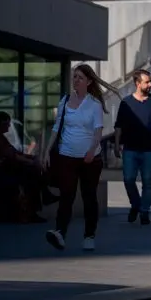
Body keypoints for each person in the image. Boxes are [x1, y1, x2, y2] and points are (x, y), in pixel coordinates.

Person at [45, 63, 114, 252]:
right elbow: (56, 128)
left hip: (89, 159)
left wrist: (92, 150)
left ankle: (89, 235)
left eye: (80, 77)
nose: (76, 80)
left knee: (88, 196)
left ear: (89, 81)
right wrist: (47, 151)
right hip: (67, 156)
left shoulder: (94, 104)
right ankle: (60, 233)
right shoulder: (65, 101)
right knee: (67, 195)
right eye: (74, 76)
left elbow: (98, 131)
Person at [115, 67, 151, 225]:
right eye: (147, 82)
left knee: (147, 182)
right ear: (138, 83)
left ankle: (144, 212)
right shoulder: (126, 103)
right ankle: (136, 205)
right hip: (130, 149)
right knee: (128, 179)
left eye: (150, 81)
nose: (150, 84)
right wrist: (117, 144)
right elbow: (119, 126)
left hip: (149, 149)